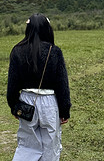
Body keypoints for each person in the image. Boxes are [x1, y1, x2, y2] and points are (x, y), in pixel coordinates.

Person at [7, 14, 71, 161]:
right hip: (49, 102)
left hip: (26, 102)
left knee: (27, 145)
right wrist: (64, 109)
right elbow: (62, 85)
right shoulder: (54, 51)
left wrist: (14, 106)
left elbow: (12, 84)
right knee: (51, 146)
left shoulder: (17, 50)